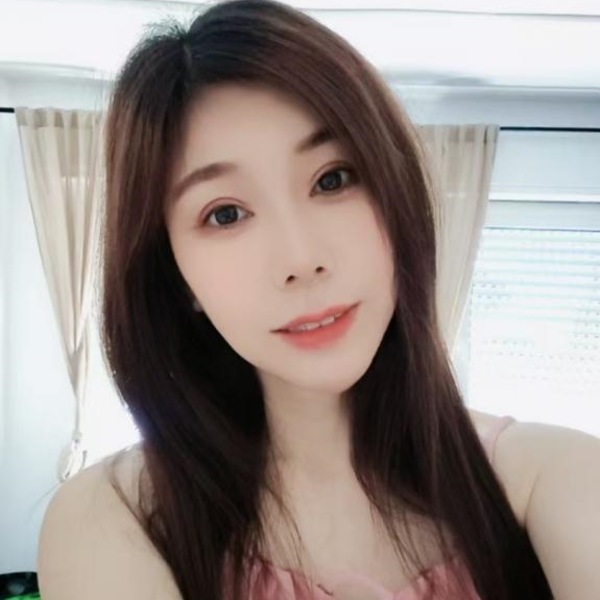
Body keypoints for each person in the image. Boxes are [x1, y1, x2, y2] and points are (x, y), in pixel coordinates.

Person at [37, 1, 600, 599]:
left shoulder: (552, 475)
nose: (301, 259)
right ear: (175, 278)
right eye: (225, 214)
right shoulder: (114, 517)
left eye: (333, 179)